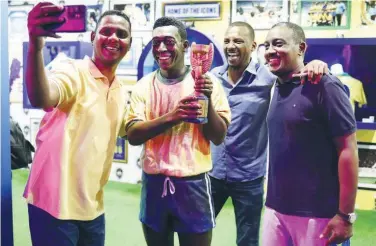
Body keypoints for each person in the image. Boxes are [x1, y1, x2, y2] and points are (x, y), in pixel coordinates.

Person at [209, 21, 329, 246]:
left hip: (249, 176)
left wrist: (316, 63)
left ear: (253, 46)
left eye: (238, 41)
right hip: (213, 172)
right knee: (198, 231)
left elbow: (296, 71)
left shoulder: (268, 77)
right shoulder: (212, 77)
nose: (231, 46)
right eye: (227, 41)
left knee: (248, 240)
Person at [23, 3, 132, 246]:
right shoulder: (73, 70)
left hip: (92, 208)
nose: (113, 37)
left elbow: (131, 132)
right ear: (93, 37)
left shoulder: (120, 89)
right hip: (54, 205)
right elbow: (43, 97)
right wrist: (35, 47)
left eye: (121, 34)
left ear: (129, 44)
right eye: (106, 31)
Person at [125, 16, 231, 246]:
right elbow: (133, 135)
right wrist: (175, 116)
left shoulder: (207, 82)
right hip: (154, 183)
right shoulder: (144, 85)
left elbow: (218, 136)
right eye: (156, 43)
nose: (161, 48)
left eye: (169, 42)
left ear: (185, 46)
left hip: (193, 184)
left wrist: (208, 100)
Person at [262, 22, 358, 246]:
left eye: (278, 43)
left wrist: (345, 215)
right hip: (275, 210)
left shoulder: (324, 85)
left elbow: (348, 150)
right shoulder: (274, 86)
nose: (269, 50)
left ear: (301, 48)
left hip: (318, 214)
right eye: (266, 45)